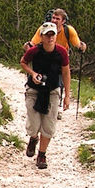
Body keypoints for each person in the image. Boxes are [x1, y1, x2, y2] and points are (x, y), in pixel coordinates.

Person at [20, 22, 71, 169]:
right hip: (34, 90)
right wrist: (33, 73)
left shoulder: (61, 53)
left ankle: (41, 155)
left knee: (49, 124)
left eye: (52, 35)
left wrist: (67, 95)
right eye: (47, 35)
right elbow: (23, 62)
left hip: (53, 90)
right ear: (41, 36)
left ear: (56, 36)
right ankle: (33, 138)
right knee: (34, 123)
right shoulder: (34, 51)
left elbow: (66, 73)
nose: (50, 38)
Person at [24, 8, 87, 118]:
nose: (54, 20)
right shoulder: (44, 29)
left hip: (60, 58)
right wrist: (28, 47)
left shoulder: (68, 31)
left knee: (59, 82)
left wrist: (81, 46)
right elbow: (33, 42)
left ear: (63, 21)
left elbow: (77, 43)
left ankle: (56, 107)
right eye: (53, 17)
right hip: (44, 57)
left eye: (57, 18)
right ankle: (41, 103)